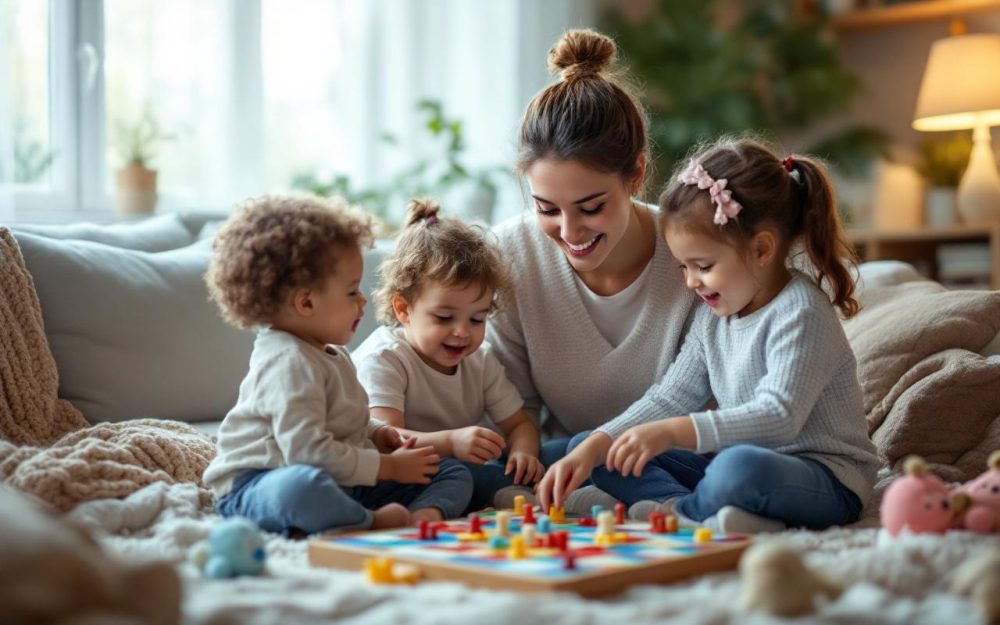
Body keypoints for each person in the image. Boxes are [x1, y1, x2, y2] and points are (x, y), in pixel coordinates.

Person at [537, 137, 880, 533]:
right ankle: (683, 507)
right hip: (734, 463)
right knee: (604, 449)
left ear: (762, 249)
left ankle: (688, 513)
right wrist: (597, 444)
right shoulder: (714, 316)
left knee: (738, 469)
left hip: (826, 481)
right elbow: (671, 396)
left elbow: (779, 417)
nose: (691, 282)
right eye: (684, 267)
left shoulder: (800, 311)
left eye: (702, 265)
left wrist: (673, 431)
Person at [487, 28, 698, 511]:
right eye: (547, 208)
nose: (570, 231)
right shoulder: (510, 253)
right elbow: (511, 409)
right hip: (563, 461)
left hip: (678, 459)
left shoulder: (694, 252)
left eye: (590, 207)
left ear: (637, 175)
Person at [202, 195, 473, 536]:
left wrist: (378, 433)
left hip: (342, 479)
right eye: (351, 292)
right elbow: (307, 453)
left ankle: (420, 516)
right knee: (301, 488)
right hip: (259, 484)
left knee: (450, 471)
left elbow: (346, 421)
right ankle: (370, 521)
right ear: (305, 302)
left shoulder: (329, 350)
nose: (362, 301)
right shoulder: (287, 362)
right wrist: (386, 466)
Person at [354, 199, 544, 513]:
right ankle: (427, 515)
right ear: (403, 309)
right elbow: (387, 439)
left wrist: (524, 454)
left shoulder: (480, 360)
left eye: (477, 319)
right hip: (389, 472)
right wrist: (451, 443)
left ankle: (508, 489)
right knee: (458, 474)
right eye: (444, 318)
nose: (462, 332)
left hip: (453, 466)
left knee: (558, 451)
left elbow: (520, 425)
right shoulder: (386, 358)